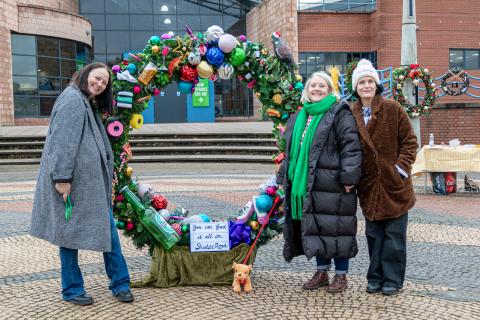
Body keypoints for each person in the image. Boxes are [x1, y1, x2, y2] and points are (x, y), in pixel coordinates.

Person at [30, 63, 134, 305]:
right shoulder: (72, 100)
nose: (99, 85)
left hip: (89, 187)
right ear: (86, 74)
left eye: (104, 83)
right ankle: (75, 289)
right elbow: (62, 143)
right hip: (74, 185)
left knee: (103, 233)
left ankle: (118, 283)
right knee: (70, 236)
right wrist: (62, 179)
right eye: (97, 78)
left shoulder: (83, 99)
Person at [276, 71, 362, 293]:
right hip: (307, 184)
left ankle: (341, 276)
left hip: (333, 183)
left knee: (337, 229)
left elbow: (351, 146)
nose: (316, 89)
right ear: (307, 90)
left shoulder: (339, 113)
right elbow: (290, 154)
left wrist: (349, 177)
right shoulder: (299, 116)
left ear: (329, 90)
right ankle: (322, 271)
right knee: (316, 227)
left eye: (321, 86)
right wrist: (282, 178)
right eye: (312, 85)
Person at [350, 59, 418, 296]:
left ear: (376, 85)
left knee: (394, 236)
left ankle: (392, 279)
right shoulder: (351, 112)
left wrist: (399, 170)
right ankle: (375, 277)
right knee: (373, 235)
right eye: (362, 82)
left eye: (370, 81)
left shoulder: (392, 109)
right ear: (355, 87)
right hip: (368, 186)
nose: (366, 85)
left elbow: (410, 142)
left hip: (394, 185)